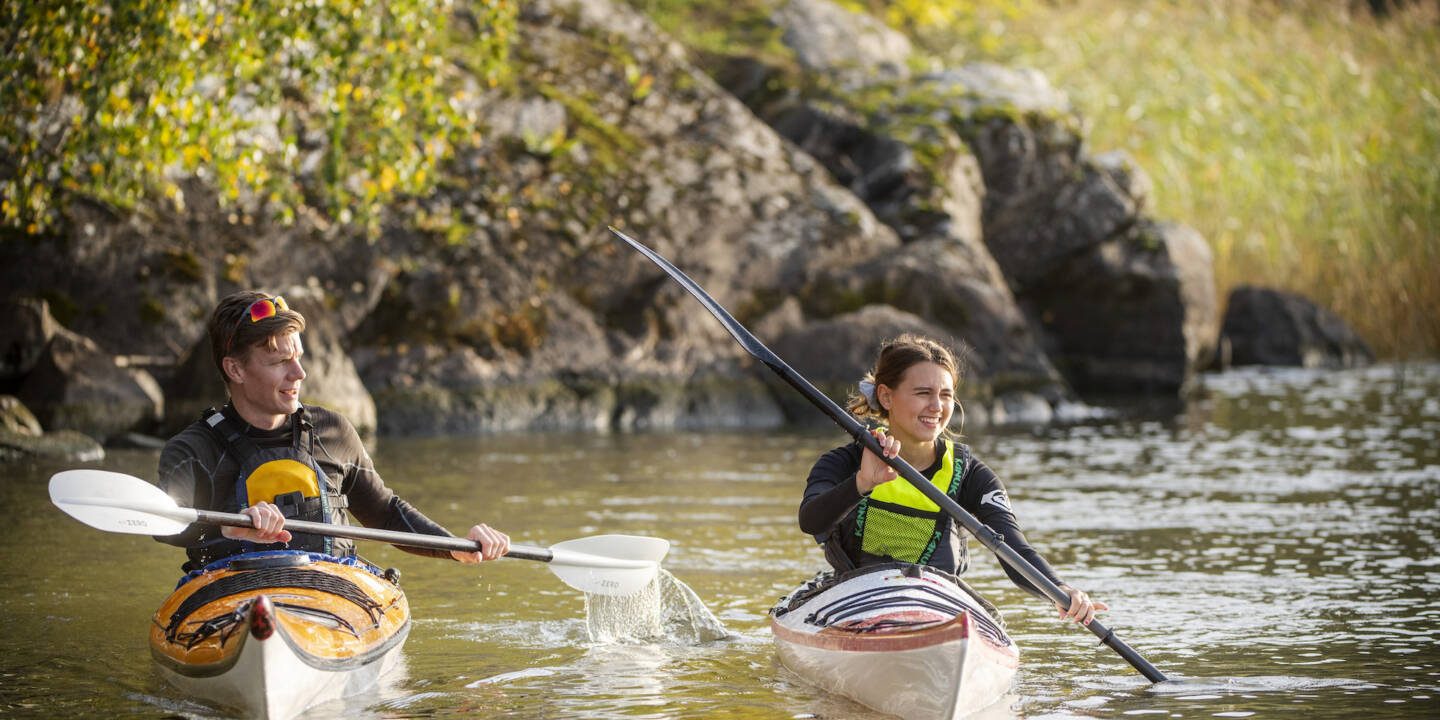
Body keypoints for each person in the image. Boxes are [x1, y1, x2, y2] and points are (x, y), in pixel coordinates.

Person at [156, 290, 510, 572]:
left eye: (298, 358)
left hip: (330, 594)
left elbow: (384, 512)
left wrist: (457, 548)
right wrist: (225, 528)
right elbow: (163, 524)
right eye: (280, 362)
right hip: (233, 599)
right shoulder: (191, 450)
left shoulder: (333, 431)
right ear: (235, 369)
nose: (299, 374)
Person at [798, 334, 1107, 626]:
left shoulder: (971, 475)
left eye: (945, 395)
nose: (937, 407)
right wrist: (861, 483)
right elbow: (811, 521)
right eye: (923, 393)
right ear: (886, 397)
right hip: (857, 602)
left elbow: (1014, 549)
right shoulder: (845, 462)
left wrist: (1059, 590)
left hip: (938, 607)